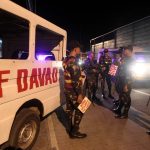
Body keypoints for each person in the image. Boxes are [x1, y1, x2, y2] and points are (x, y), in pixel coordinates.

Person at [63, 41, 87, 138]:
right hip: (73, 91)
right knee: (83, 107)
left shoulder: (65, 60)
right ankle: (74, 131)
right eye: (79, 49)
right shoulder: (73, 62)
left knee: (70, 110)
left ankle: (69, 128)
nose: (80, 51)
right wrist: (80, 94)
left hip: (67, 89)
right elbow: (76, 81)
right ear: (75, 49)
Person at [114, 45, 134, 119]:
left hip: (127, 82)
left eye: (125, 50)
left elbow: (130, 73)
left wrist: (126, 85)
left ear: (129, 51)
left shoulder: (131, 61)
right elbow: (121, 69)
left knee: (126, 98)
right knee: (122, 97)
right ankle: (119, 110)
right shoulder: (125, 59)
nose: (124, 52)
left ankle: (125, 114)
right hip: (122, 81)